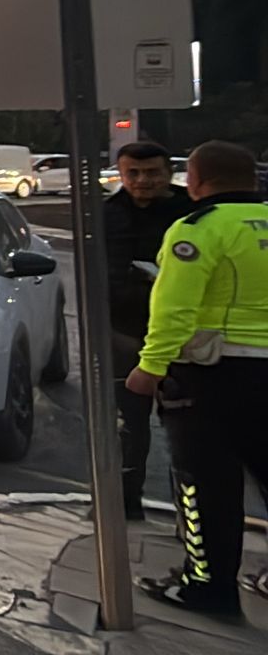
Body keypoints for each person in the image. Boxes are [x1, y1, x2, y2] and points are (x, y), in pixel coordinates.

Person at [126, 140, 268, 617]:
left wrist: (151, 367)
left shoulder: (198, 229)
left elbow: (174, 308)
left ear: (195, 179)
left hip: (212, 375)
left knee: (205, 485)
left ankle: (206, 587)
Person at [103, 141, 193, 519]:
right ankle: (126, 506)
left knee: (188, 436)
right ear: (121, 174)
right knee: (128, 428)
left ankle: (192, 518)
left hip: (184, 340)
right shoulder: (106, 214)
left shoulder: (192, 212)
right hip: (122, 335)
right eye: (133, 173)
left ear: (168, 173)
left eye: (152, 172)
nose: (142, 181)